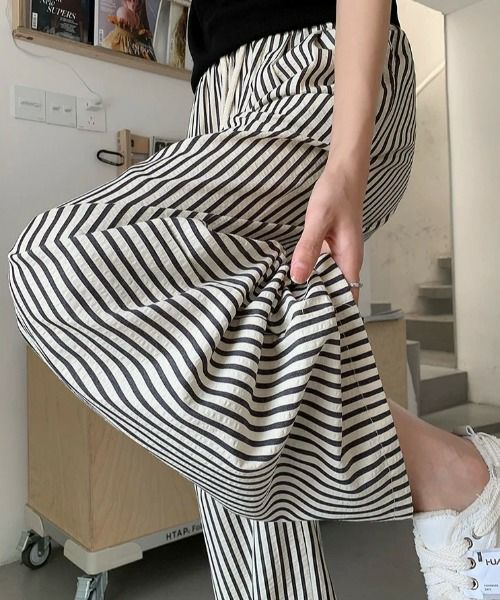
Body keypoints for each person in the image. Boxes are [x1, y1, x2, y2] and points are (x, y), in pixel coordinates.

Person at [7, 1, 500, 598]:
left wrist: (347, 156)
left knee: (57, 265)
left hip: (317, 68)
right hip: (217, 100)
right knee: (237, 406)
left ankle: (456, 476)